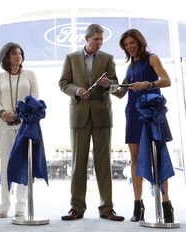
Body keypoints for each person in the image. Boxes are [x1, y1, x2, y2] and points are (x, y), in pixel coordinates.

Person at [58, 24, 124, 221]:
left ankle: (107, 208)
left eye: (101, 39)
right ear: (86, 39)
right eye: (96, 39)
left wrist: (108, 84)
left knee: (104, 163)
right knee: (78, 163)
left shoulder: (108, 59)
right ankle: (76, 208)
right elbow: (63, 83)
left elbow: (115, 86)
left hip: (102, 114)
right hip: (79, 115)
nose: (99, 43)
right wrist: (77, 91)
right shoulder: (71, 58)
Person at [111, 28, 174, 223]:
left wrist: (147, 84)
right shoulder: (130, 67)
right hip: (133, 114)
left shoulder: (152, 58)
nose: (129, 47)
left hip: (153, 113)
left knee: (158, 155)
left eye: (132, 43)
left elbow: (166, 81)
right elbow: (121, 92)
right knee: (135, 156)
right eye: (126, 45)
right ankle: (138, 204)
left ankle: (166, 204)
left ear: (139, 42)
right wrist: (108, 86)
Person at [0, 42, 39, 218]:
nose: (18, 56)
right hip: (4, 124)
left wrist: (21, 113)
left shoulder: (30, 74)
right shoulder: (0, 77)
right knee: (5, 164)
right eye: (14, 54)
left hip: (25, 124)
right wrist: (2, 112)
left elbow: (35, 97)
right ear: (7, 57)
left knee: (23, 164)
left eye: (20, 53)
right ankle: (4, 205)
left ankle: (21, 205)